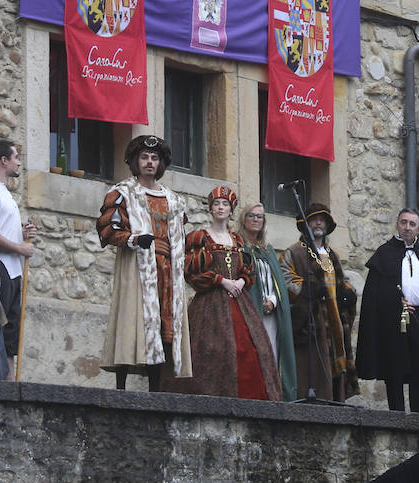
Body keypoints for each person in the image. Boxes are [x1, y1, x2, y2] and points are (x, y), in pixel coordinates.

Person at [165, 186, 282, 400]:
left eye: (225, 204)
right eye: (217, 204)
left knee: (252, 350)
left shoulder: (237, 240)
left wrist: (240, 280)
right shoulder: (200, 237)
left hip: (240, 302)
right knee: (211, 350)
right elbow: (191, 271)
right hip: (209, 304)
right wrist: (221, 281)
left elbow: (248, 270)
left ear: (231, 210)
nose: (220, 208)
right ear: (211, 209)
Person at [95, 135, 192, 390]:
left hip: (168, 272)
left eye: (154, 158)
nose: (149, 162)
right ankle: (120, 388)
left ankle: (155, 389)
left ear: (160, 164)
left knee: (162, 326)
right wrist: (134, 239)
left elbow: (180, 236)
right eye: (144, 157)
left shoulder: (173, 199)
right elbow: (108, 230)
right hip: (137, 268)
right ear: (135, 161)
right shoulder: (122, 192)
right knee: (132, 322)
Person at [355, 208, 419, 413]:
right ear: (397, 224)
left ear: (418, 228)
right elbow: (375, 296)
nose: (407, 227)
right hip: (392, 320)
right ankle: (396, 419)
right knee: (394, 371)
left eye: (412, 224)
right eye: (404, 222)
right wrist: (395, 303)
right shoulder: (384, 254)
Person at [282, 202, 358, 402]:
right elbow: (286, 281)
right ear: (305, 223)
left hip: (335, 322)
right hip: (311, 321)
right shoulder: (294, 252)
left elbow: (344, 282)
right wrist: (310, 292)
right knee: (315, 365)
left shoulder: (332, 255)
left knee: (336, 361)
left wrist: (347, 293)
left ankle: (336, 399)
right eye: (314, 219)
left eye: (322, 220)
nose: (318, 223)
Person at [0, 139, 37, 381]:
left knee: (12, 334)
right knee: (0, 329)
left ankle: (10, 385)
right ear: (3, 161)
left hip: (14, 270)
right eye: (15, 157)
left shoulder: (4, 192)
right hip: (1, 268)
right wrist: (20, 248)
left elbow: (3, 230)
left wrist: (22, 235)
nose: (18, 162)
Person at [238, 201, 298, 401]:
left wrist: (272, 300)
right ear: (243, 219)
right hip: (249, 312)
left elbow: (278, 283)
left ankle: (272, 395)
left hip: (271, 314)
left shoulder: (268, 251)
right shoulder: (238, 247)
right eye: (252, 216)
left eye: (260, 217)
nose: (256, 220)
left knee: (272, 352)